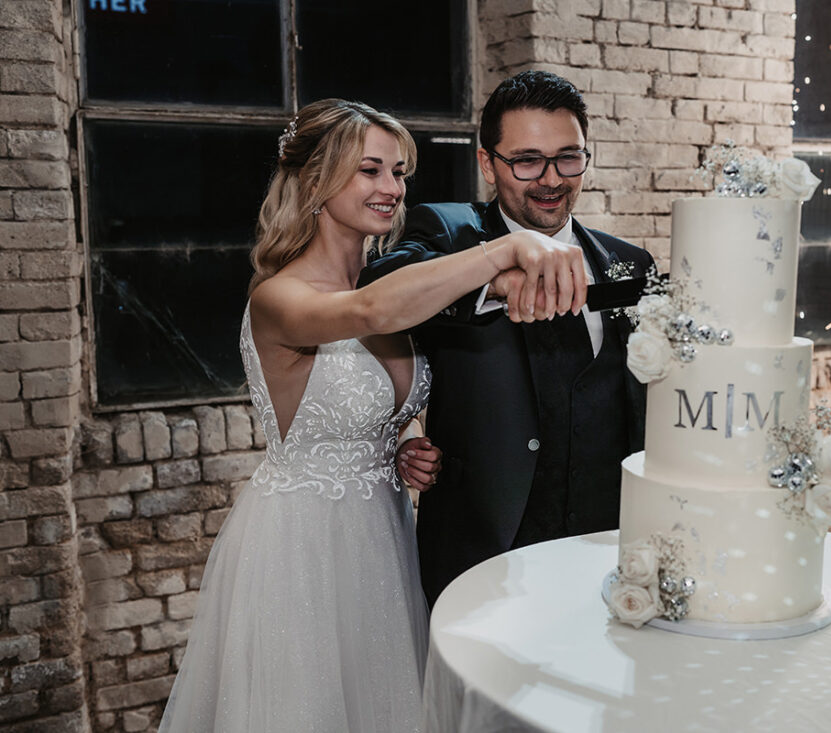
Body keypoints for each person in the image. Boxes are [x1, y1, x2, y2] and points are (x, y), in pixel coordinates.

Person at [158, 99, 585, 733]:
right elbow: (368, 316)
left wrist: (405, 440)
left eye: (400, 172)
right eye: (370, 171)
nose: (392, 189)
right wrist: (505, 249)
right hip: (301, 545)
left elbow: (380, 395)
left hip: (383, 538)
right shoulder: (281, 296)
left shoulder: (389, 287)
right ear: (314, 181)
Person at [362, 71, 655, 607]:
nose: (550, 179)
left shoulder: (630, 264)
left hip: (609, 553)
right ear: (486, 164)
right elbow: (373, 294)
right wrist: (494, 276)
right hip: (485, 552)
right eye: (526, 160)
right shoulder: (448, 233)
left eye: (569, 157)